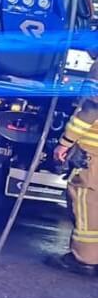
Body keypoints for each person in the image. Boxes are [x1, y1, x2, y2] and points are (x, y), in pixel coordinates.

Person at [48, 53, 98, 275]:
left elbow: (91, 108)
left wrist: (65, 142)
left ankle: (84, 258)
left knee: (86, 199)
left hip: (93, 149)